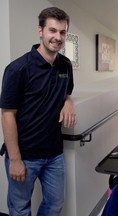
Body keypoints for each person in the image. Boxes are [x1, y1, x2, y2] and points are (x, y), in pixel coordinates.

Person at [0, 7, 76, 216]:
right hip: (25, 155)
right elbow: (7, 115)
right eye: (52, 30)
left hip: (54, 154)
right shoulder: (18, 69)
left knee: (54, 204)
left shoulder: (65, 65)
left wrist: (68, 101)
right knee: (20, 209)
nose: (57, 37)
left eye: (62, 32)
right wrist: (15, 159)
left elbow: (66, 92)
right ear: (40, 31)